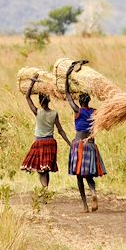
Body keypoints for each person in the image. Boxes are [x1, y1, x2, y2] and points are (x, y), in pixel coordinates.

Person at [65, 60, 107, 213]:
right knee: (89, 175)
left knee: (79, 176)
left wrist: (68, 74)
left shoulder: (78, 111)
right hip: (91, 145)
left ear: (80, 102)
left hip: (79, 145)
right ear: (89, 101)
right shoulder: (94, 112)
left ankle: (84, 206)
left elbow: (67, 94)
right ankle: (94, 193)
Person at [21, 73, 71, 188]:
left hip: (39, 142)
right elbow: (60, 130)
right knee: (45, 168)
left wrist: (32, 82)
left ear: (40, 101)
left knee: (41, 169)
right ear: (48, 101)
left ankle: (44, 189)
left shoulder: (37, 112)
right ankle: (46, 188)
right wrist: (69, 143)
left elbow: (27, 97)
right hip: (51, 143)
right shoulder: (54, 114)